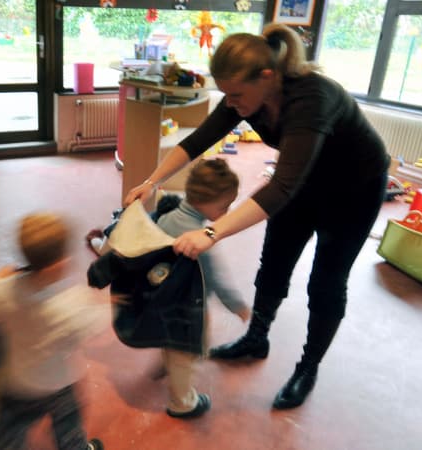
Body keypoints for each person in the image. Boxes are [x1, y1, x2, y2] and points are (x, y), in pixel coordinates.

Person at [123, 23, 391, 409]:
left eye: (236, 94)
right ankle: (257, 336)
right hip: (303, 183)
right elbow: (198, 140)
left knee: (327, 282)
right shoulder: (245, 96)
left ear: (267, 76)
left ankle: (308, 367)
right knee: (274, 263)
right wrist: (151, 181)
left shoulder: (313, 98)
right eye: (226, 94)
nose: (230, 103)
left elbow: (279, 188)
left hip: (354, 191)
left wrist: (211, 233)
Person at [0, 212, 106, 449]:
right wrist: (103, 305)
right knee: (68, 425)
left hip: (17, 383)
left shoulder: (4, 292)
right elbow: (93, 327)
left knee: (9, 430)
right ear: (59, 264)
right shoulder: (71, 303)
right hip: (59, 384)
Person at [153, 158, 250, 418]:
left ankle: (166, 362)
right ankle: (182, 403)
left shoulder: (166, 216)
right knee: (187, 352)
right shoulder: (199, 238)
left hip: (161, 299)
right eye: (225, 206)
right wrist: (236, 305)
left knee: (170, 340)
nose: (227, 212)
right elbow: (215, 278)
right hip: (187, 307)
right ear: (206, 202)